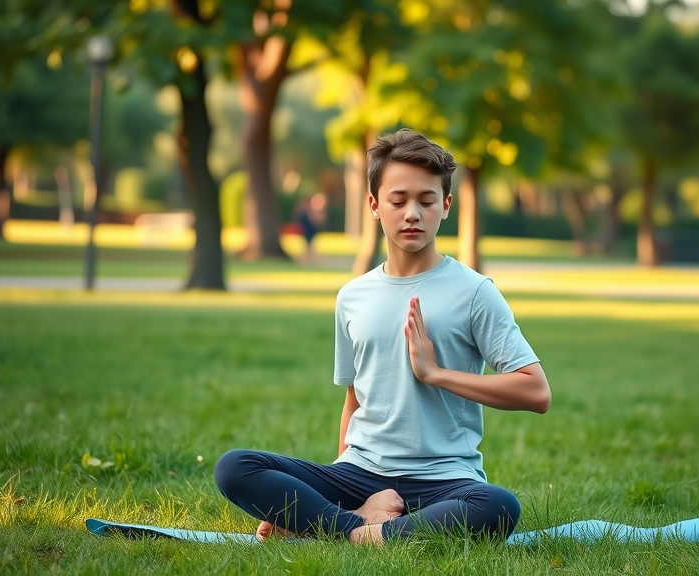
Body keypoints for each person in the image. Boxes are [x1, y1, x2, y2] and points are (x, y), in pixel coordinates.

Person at [214, 129, 552, 545]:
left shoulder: (475, 292)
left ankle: (342, 531)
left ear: (445, 206)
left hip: (444, 480)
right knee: (235, 467)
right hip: (360, 473)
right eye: (398, 201)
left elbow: (536, 392)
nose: (412, 213)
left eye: (426, 201)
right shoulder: (353, 296)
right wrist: (332, 487)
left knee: (498, 506)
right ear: (374, 206)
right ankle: (359, 523)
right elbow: (354, 400)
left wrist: (436, 374)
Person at [293, 192, 328, 263]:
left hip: (311, 228)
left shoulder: (313, 209)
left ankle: (307, 258)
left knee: (309, 244)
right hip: (307, 228)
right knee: (307, 244)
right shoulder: (308, 209)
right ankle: (305, 258)